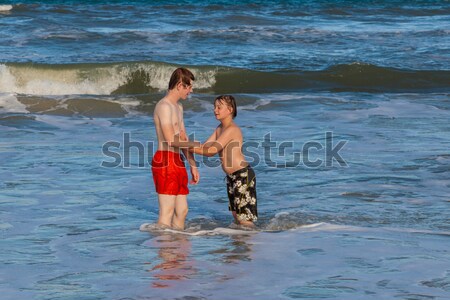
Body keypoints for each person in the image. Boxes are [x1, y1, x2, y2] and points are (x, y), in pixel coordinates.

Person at [183, 95, 258, 227]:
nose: (215, 110)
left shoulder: (232, 129)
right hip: (231, 176)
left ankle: (251, 245)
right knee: (236, 215)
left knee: (244, 218)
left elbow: (211, 151)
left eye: (219, 107)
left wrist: (187, 146)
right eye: (214, 107)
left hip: (243, 175)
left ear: (230, 109)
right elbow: (205, 146)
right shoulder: (219, 128)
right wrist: (187, 144)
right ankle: (239, 245)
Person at [151, 67, 199, 230]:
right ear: (180, 85)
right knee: (167, 211)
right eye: (189, 87)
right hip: (164, 160)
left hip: (177, 161)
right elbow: (171, 140)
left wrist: (192, 164)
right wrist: (197, 145)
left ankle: (177, 250)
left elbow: (183, 138)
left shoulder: (178, 107)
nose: (191, 91)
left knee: (182, 210)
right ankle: (165, 252)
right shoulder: (164, 106)